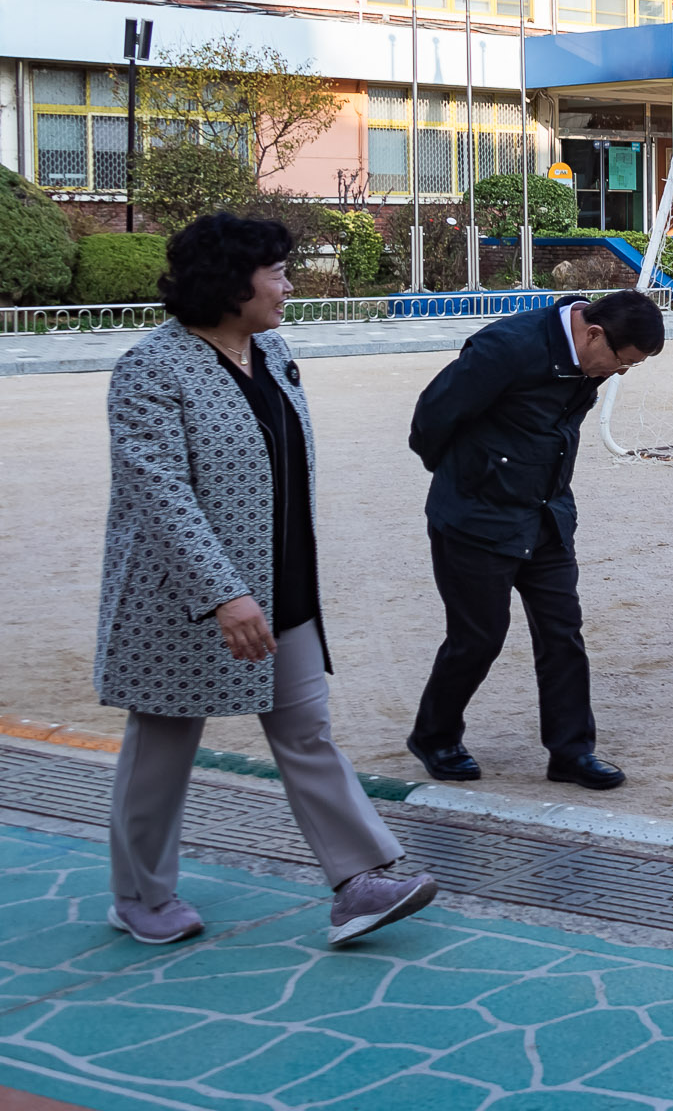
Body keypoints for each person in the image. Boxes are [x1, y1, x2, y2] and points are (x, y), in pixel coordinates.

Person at [97, 214, 437, 948]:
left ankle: (362, 879)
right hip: (178, 600)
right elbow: (159, 492)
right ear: (230, 281)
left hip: (284, 584)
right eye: (277, 272)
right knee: (162, 746)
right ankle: (139, 894)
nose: (289, 286)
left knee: (307, 731)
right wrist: (223, 591)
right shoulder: (150, 368)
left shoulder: (274, 352)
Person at [406, 289, 666, 790]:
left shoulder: (593, 360)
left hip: (546, 515)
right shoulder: (507, 347)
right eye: (621, 362)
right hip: (474, 518)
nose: (620, 373)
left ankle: (570, 753)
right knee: (478, 638)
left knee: (563, 634)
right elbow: (431, 417)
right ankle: (434, 736)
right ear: (594, 334)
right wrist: (469, 478)